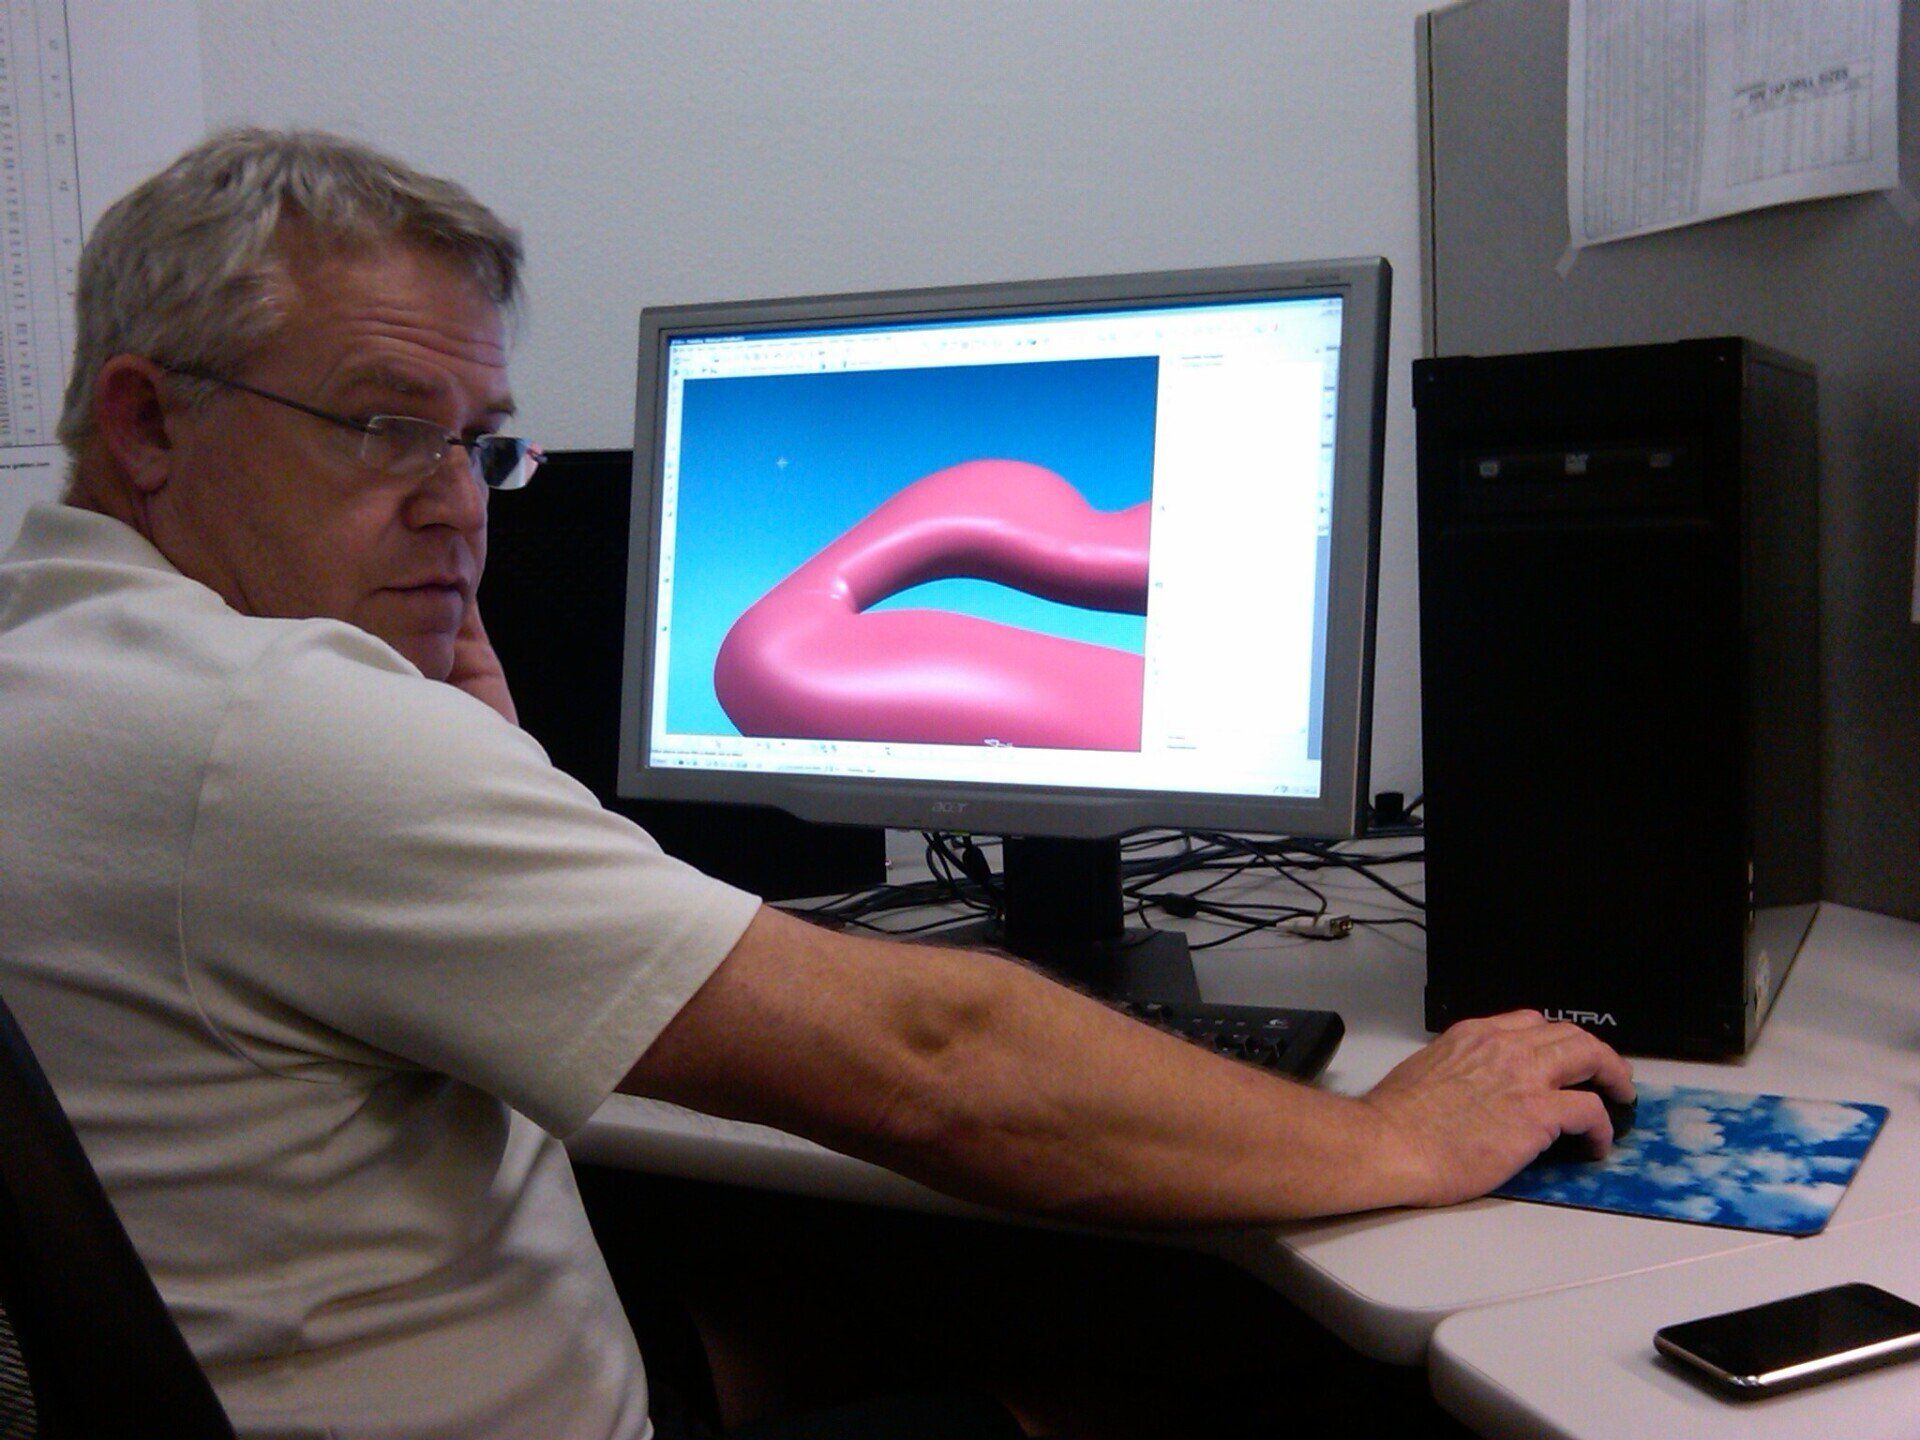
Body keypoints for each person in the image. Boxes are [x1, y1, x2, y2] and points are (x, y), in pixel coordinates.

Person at [0, 128, 1632, 1440]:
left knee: (884, 1302)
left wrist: (484, 776)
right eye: (382, 426)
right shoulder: (274, 725)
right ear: (147, 425)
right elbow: (938, 1058)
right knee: (1145, 1386)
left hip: (376, 1360)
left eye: (481, 444)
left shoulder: (64, 665)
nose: (460, 505)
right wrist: (1392, 1138)